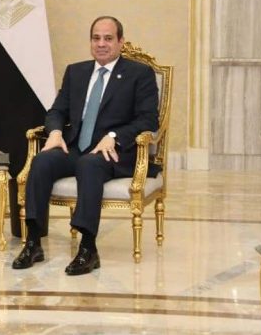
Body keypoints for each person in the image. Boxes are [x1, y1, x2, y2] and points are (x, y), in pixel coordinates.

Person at [12, 16, 160, 275]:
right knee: (42, 161)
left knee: (89, 165)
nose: (101, 44)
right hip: (77, 147)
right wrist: (55, 132)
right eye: (96, 38)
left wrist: (114, 135)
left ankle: (88, 248)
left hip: (115, 153)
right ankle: (33, 242)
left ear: (120, 42)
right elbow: (57, 111)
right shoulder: (76, 72)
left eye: (108, 38)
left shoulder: (139, 74)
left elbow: (148, 120)